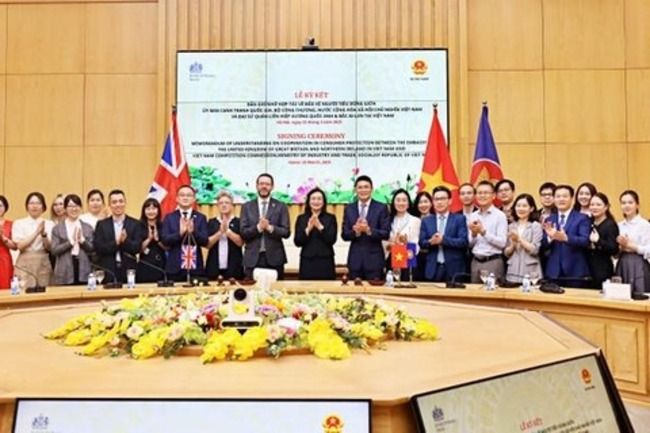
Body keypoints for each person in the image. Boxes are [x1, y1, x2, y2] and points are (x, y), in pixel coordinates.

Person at [240, 174, 291, 280]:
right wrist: (258, 228)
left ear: (272, 186)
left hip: (275, 258)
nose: (264, 186)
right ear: (257, 186)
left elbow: (286, 232)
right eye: (261, 184)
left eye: (267, 184)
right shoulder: (247, 207)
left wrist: (269, 228)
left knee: (276, 289)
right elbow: (243, 232)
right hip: (252, 258)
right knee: (252, 289)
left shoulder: (281, 206)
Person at [541, 184, 591, 287]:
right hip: (553, 271)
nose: (561, 199)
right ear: (554, 199)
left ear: (572, 198)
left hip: (575, 271)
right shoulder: (549, 219)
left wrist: (566, 238)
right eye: (558, 196)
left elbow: (585, 241)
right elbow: (542, 245)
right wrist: (550, 238)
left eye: (565, 196)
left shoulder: (582, 218)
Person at [341, 175, 390, 280]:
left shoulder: (381, 208)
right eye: (360, 187)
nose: (363, 190)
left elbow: (386, 233)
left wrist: (368, 230)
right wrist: (356, 231)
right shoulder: (349, 208)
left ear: (372, 189)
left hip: (375, 262)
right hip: (355, 262)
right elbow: (344, 235)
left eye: (366, 187)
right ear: (355, 190)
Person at [419, 186, 468, 282]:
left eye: (442, 199)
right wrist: (431, 242)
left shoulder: (459, 219)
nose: (439, 202)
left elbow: (463, 241)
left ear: (450, 201)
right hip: (433, 268)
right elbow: (422, 242)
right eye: (436, 199)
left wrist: (443, 240)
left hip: (454, 269)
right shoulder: (427, 221)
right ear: (433, 202)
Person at [161, 185, 209, 281]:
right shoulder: (169, 217)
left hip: (195, 268)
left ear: (194, 199)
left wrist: (193, 232)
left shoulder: (201, 217)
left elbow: (205, 241)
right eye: (182, 195)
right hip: (175, 267)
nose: (185, 198)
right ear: (177, 199)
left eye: (188, 195)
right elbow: (165, 240)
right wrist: (180, 233)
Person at [93, 190, 142, 283]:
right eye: (114, 202)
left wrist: (125, 241)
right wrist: (116, 242)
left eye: (120, 201)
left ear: (125, 203)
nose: (118, 204)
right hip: (108, 270)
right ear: (109, 205)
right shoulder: (102, 225)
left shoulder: (135, 224)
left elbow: (137, 248)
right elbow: (99, 248)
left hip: (129, 271)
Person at [467, 181, 508, 283]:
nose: (482, 196)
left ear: (493, 195)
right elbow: (470, 244)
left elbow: (502, 243)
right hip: (475, 261)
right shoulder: (473, 215)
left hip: (493, 261)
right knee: (474, 292)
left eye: (486, 193)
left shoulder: (500, 216)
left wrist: (483, 232)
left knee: (492, 291)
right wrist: (474, 234)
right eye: (479, 193)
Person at [12, 192, 55, 287]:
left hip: (43, 260)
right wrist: (37, 232)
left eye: (38, 203)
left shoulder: (49, 223)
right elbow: (20, 246)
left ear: (43, 207)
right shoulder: (19, 223)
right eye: (31, 203)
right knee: (23, 290)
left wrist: (43, 235)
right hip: (24, 260)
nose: (34, 206)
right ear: (27, 206)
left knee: (45, 290)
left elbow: (49, 248)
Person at [50, 194, 94, 285]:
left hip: (83, 267)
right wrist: (70, 242)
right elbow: (54, 250)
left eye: (76, 206)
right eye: (70, 206)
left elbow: (92, 249)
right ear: (65, 209)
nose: (74, 209)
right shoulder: (57, 228)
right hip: (64, 268)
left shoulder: (87, 227)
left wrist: (82, 241)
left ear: (81, 208)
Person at [294, 187, 337, 280]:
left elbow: (332, 240)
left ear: (323, 202)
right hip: (307, 261)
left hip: (325, 261)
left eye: (319, 199)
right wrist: (308, 229)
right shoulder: (301, 218)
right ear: (308, 201)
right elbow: (297, 242)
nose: (316, 201)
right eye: (313, 199)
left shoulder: (330, 218)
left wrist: (320, 227)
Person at [616, 190, 650, 295]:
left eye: (630, 202)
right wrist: (621, 247)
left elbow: (648, 249)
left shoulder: (644, 225)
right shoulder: (619, 225)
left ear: (637, 205)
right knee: (621, 295)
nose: (626, 205)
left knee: (640, 293)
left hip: (639, 263)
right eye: (623, 203)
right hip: (622, 262)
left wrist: (632, 246)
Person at [504, 194, 543, 284]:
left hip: (531, 272)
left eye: (524, 206)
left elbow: (535, 250)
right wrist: (513, 245)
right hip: (513, 271)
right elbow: (506, 253)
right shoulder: (511, 226)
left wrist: (519, 239)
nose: (521, 208)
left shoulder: (535, 226)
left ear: (531, 208)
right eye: (518, 206)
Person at [206, 191, 244, 280]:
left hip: (234, 267)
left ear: (232, 205)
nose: (224, 205)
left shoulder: (238, 222)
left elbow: (240, 243)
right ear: (217, 206)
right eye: (221, 203)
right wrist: (220, 232)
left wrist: (227, 231)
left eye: (227, 203)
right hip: (214, 266)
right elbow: (207, 244)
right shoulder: (212, 222)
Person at [384, 189, 421, 277]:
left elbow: (415, 243)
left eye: (404, 200)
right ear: (393, 203)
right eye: (398, 200)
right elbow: (384, 242)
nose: (401, 203)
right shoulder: (387, 220)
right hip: (391, 258)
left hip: (408, 260)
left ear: (408, 204)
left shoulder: (415, 220)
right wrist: (391, 245)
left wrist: (405, 243)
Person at [587, 192, 619, 289]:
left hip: (602, 269)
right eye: (592, 204)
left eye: (598, 205)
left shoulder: (610, 225)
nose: (594, 207)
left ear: (606, 207)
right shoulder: (588, 222)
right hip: (587, 268)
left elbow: (614, 249)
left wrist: (598, 241)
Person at [137, 198, 168, 283]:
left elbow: (167, 248)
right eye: (148, 209)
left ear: (158, 210)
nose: (151, 211)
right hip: (145, 264)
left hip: (161, 263)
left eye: (154, 208)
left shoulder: (163, 225)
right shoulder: (138, 225)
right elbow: (137, 249)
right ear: (144, 211)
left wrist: (157, 240)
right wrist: (149, 239)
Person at [412, 191, 433, 281]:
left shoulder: (437, 219)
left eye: (426, 201)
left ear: (431, 203)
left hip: (431, 256)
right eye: (420, 202)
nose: (423, 205)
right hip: (415, 257)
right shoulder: (412, 220)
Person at [0, 195, 17, 289]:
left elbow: (15, 247)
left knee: (5, 285)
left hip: (4, 258)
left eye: (0, 206)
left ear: (5, 207)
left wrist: (2, 237)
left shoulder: (11, 224)